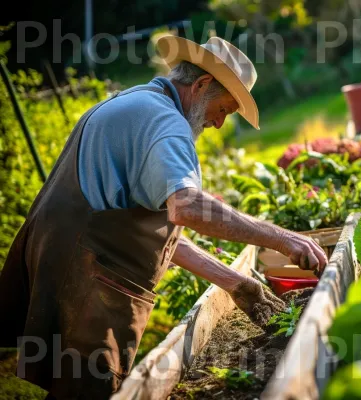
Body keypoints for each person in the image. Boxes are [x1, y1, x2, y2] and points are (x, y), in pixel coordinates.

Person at [0, 35, 328, 399]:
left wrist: (235, 283)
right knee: (87, 388)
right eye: (225, 108)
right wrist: (282, 238)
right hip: (88, 274)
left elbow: (152, 234)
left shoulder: (132, 103)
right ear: (202, 84)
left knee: (74, 385)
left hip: (62, 258)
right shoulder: (165, 123)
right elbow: (186, 208)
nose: (219, 123)